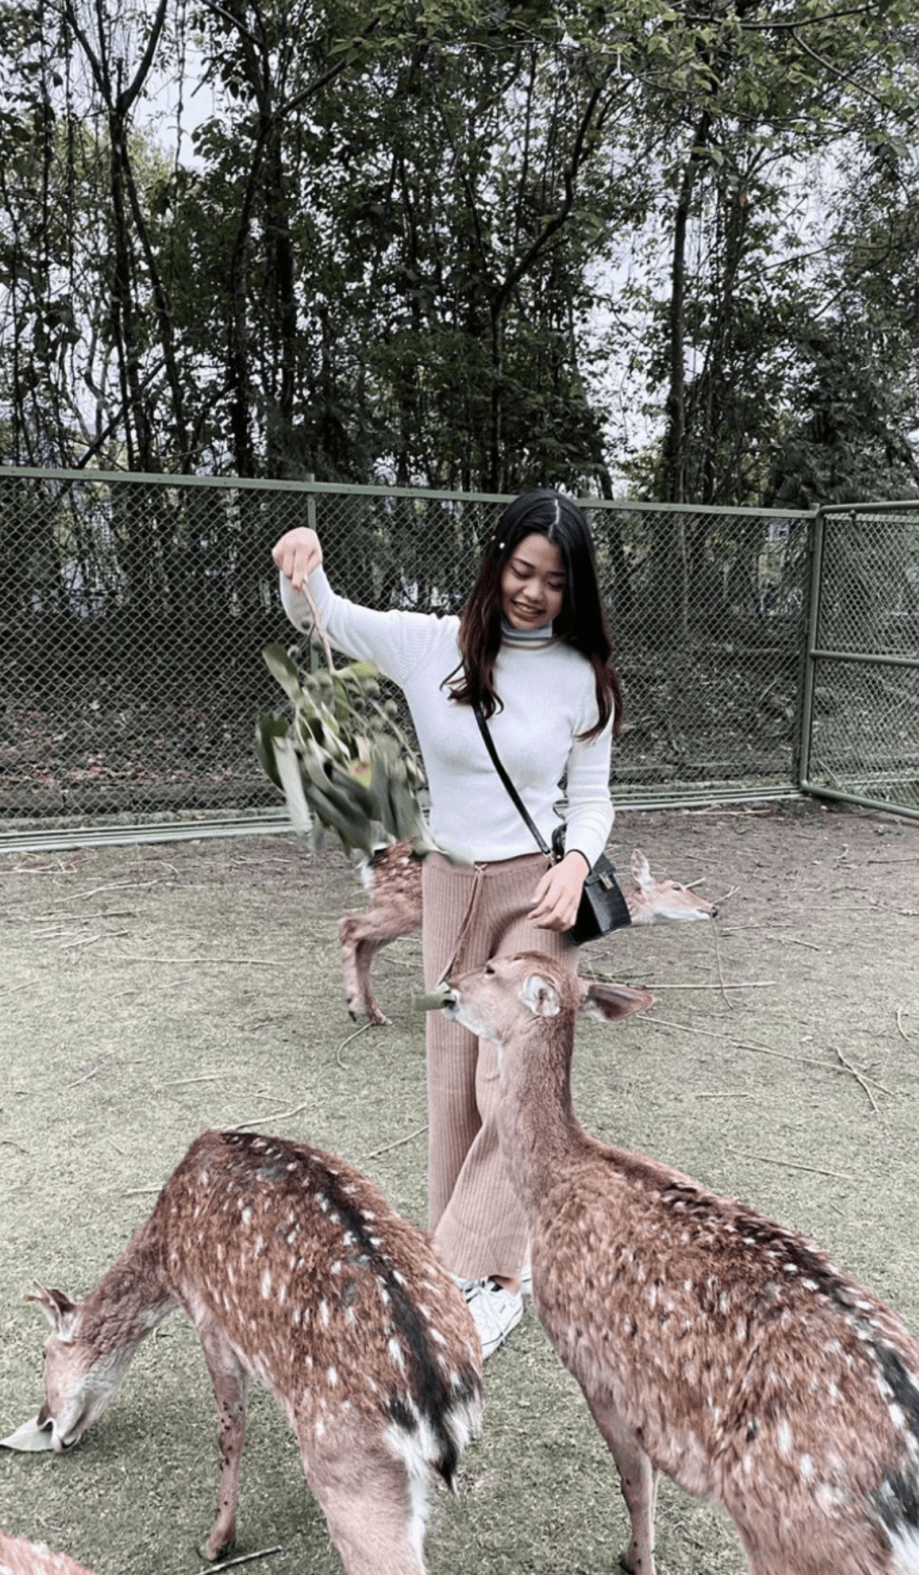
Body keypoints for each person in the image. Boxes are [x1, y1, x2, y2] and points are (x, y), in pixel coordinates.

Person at [272, 489, 624, 1357]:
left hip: (540, 895)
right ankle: (480, 1272)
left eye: (553, 580)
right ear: (497, 560)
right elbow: (325, 616)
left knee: (513, 1081)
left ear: (573, 587)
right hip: (448, 886)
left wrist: (577, 866)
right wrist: (299, 560)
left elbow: (592, 797)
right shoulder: (432, 645)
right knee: (452, 1081)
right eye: (521, 570)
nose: (533, 593)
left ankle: (468, 1273)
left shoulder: (583, 677)